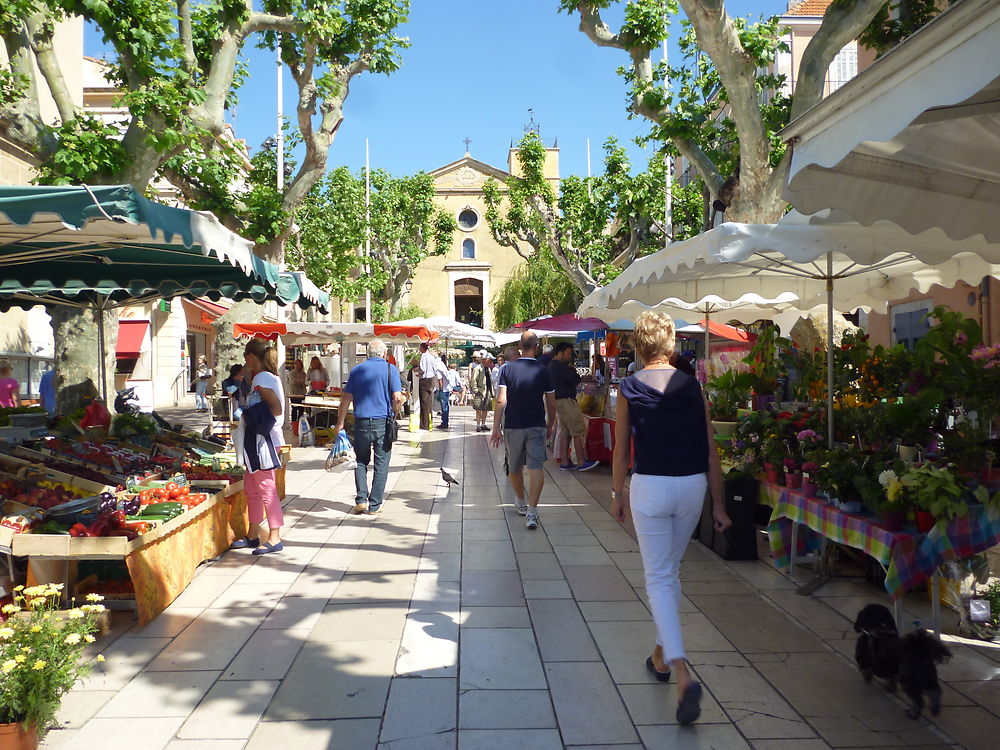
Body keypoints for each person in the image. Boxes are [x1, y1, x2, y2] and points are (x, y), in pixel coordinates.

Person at [611, 311, 731, 725]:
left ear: (639, 347)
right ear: (671, 344)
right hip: (692, 487)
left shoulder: (629, 387)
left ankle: (682, 673)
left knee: (659, 577)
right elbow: (712, 451)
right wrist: (718, 505)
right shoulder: (693, 387)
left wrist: (616, 493)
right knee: (670, 573)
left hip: (651, 487)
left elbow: (620, 448)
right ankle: (660, 657)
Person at [490, 332, 556, 530]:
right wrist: (551, 423)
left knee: (515, 466)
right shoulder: (543, 370)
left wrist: (495, 428)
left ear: (520, 345)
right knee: (536, 467)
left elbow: (501, 399)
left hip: (513, 424)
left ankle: (520, 501)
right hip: (536, 423)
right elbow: (552, 403)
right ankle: (533, 511)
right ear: (536, 346)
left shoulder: (507, 369)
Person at [335, 339, 403, 515]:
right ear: (384, 353)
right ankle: (374, 505)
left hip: (361, 421)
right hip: (382, 422)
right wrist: (395, 414)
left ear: (368, 353)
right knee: (381, 464)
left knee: (360, 460)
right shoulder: (390, 369)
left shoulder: (357, 370)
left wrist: (340, 423)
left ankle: (361, 500)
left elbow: (346, 399)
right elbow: (397, 398)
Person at [231, 339, 286, 555]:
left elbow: (276, 407)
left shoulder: (262, 377)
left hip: (263, 442)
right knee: (252, 489)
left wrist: (252, 415)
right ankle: (253, 534)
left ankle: (274, 536)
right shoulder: (268, 376)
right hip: (259, 442)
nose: (244, 361)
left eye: (245, 357)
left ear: (251, 356)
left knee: (265, 490)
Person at [549, 342, 598, 472]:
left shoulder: (552, 366)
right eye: (568, 353)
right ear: (560, 352)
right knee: (577, 430)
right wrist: (573, 372)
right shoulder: (559, 367)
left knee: (566, 432)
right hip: (567, 401)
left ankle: (565, 461)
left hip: (559, 401)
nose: (569, 356)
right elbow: (575, 379)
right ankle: (582, 462)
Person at [417, 342, 439, 431]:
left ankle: (424, 424)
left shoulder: (424, 356)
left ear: (422, 348)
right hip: (431, 380)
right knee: (429, 402)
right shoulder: (432, 357)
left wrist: (418, 372)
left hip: (425, 380)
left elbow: (422, 368)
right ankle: (430, 422)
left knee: (424, 403)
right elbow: (435, 369)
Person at [470, 352, 491, 431]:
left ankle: (483, 424)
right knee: (478, 409)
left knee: (486, 409)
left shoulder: (487, 369)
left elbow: (490, 380)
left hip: (487, 391)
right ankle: (478, 425)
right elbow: (473, 380)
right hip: (480, 391)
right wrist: (476, 390)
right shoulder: (478, 368)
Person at [436, 352, 455, 429]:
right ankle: (445, 422)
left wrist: (440, 389)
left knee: (444, 407)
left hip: (443, 389)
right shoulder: (442, 365)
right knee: (445, 406)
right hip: (447, 388)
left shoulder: (438, 367)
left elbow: (440, 380)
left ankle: (444, 423)